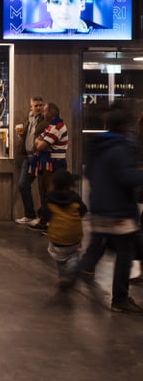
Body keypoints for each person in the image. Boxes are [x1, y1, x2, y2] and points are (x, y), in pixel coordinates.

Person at [70, 103, 143, 313]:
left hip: (99, 208)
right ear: (123, 126)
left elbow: (90, 173)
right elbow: (127, 177)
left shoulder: (97, 145)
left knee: (95, 251)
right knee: (125, 255)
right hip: (120, 211)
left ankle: (70, 279)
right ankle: (120, 299)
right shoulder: (124, 146)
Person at [43, 169, 87, 290]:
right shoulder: (75, 197)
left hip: (57, 240)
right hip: (74, 239)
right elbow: (83, 211)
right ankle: (71, 270)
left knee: (60, 259)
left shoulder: (49, 199)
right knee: (73, 256)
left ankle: (63, 276)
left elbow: (45, 216)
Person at [29, 102, 69, 232]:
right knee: (45, 192)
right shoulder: (51, 126)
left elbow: (40, 145)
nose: (43, 113)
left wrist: (40, 143)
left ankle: (49, 222)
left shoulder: (57, 127)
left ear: (51, 114)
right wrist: (40, 142)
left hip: (55, 164)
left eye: (45, 111)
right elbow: (38, 140)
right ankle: (45, 220)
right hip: (47, 163)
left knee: (51, 193)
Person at [14, 96, 49, 227]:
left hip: (38, 156)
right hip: (28, 157)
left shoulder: (45, 119)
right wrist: (21, 134)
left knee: (43, 188)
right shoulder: (29, 118)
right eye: (36, 105)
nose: (39, 108)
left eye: (41, 105)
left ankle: (44, 218)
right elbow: (28, 135)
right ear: (31, 107)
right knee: (23, 185)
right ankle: (30, 215)